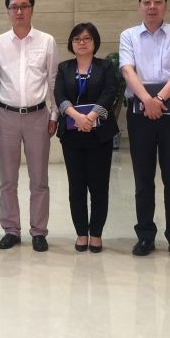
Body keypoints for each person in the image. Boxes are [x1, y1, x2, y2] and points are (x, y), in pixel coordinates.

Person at [119, 0, 170, 260]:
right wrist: (147, 101)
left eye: (158, 1)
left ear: (165, 5)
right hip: (140, 117)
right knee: (143, 178)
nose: (152, 6)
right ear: (140, 6)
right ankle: (145, 236)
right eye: (147, 2)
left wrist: (158, 98)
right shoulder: (129, 35)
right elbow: (128, 71)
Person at [0, 0, 58, 252]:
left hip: (38, 116)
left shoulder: (46, 41)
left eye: (24, 6)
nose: (19, 11)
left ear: (32, 9)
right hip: (5, 116)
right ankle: (11, 229)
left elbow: (53, 80)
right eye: (14, 7)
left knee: (39, 179)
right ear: (8, 11)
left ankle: (39, 231)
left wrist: (54, 113)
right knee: (8, 179)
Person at [54, 23, 119, 254]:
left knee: (99, 186)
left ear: (95, 42)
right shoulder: (64, 67)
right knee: (77, 187)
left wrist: (90, 117)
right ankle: (81, 233)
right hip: (72, 134)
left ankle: (97, 234)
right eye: (77, 39)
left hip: (99, 135)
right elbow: (59, 95)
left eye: (87, 38)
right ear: (71, 43)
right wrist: (77, 117)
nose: (82, 42)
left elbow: (110, 92)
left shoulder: (106, 66)